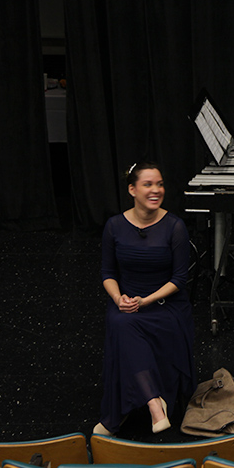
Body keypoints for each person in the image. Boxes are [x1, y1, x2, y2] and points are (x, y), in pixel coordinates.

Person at [93, 162, 197, 436]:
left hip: (165, 304)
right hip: (127, 301)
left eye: (160, 184)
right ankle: (154, 403)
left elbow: (179, 280)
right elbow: (107, 272)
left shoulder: (175, 227)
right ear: (132, 189)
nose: (156, 190)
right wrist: (118, 299)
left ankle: (141, 406)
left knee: (126, 325)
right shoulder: (114, 226)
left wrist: (145, 301)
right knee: (121, 321)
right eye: (148, 184)